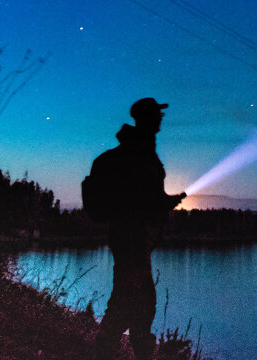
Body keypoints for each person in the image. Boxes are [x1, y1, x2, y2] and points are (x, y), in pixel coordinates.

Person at [92, 97, 186, 360]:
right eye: (157, 113)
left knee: (135, 303)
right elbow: (137, 201)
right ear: (144, 118)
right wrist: (162, 204)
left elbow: (143, 198)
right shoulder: (138, 156)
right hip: (132, 242)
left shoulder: (140, 152)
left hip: (133, 241)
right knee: (135, 303)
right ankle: (111, 350)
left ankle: (117, 349)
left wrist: (166, 202)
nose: (161, 117)